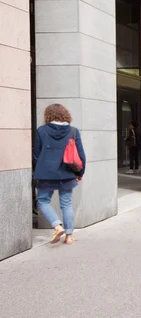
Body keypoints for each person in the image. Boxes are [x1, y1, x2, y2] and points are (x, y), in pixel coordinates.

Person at [33, 104, 86, 245]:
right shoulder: (73, 131)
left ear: (48, 115)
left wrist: (38, 171)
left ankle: (57, 226)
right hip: (67, 173)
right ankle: (69, 236)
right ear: (65, 114)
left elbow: (36, 155)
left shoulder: (41, 131)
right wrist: (80, 173)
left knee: (43, 201)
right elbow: (81, 155)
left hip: (46, 174)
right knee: (66, 204)